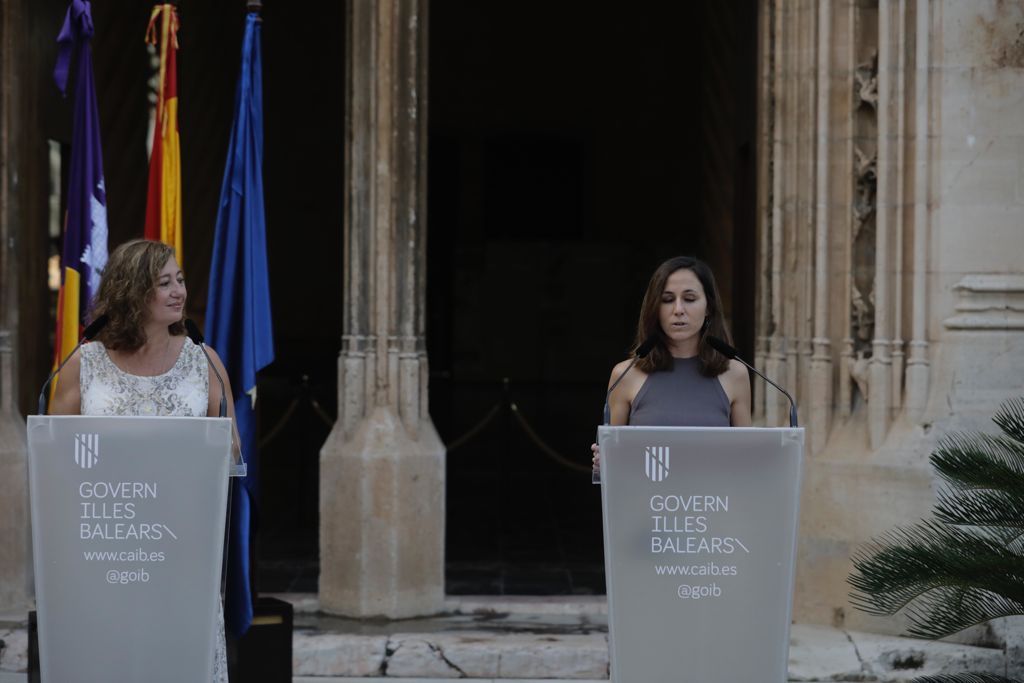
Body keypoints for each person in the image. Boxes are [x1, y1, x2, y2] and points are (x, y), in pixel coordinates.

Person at [50, 238, 236, 683]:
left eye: (181, 280)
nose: (179, 292)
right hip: (109, 540)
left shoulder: (203, 361)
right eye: (164, 283)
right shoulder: (86, 362)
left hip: (182, 541)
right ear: (133, 292)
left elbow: (232, 448)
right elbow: (55, 451)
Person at [592, 256, 751, 468]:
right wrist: (604, 463)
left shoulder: (735, 373)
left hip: (713, 500)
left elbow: (748, 459)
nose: (678, 309)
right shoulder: (625, 374)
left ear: (709, 308)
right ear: (655, 309)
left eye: (690, 298)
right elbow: (614, 464)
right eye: (667, 299)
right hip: (647, 500)